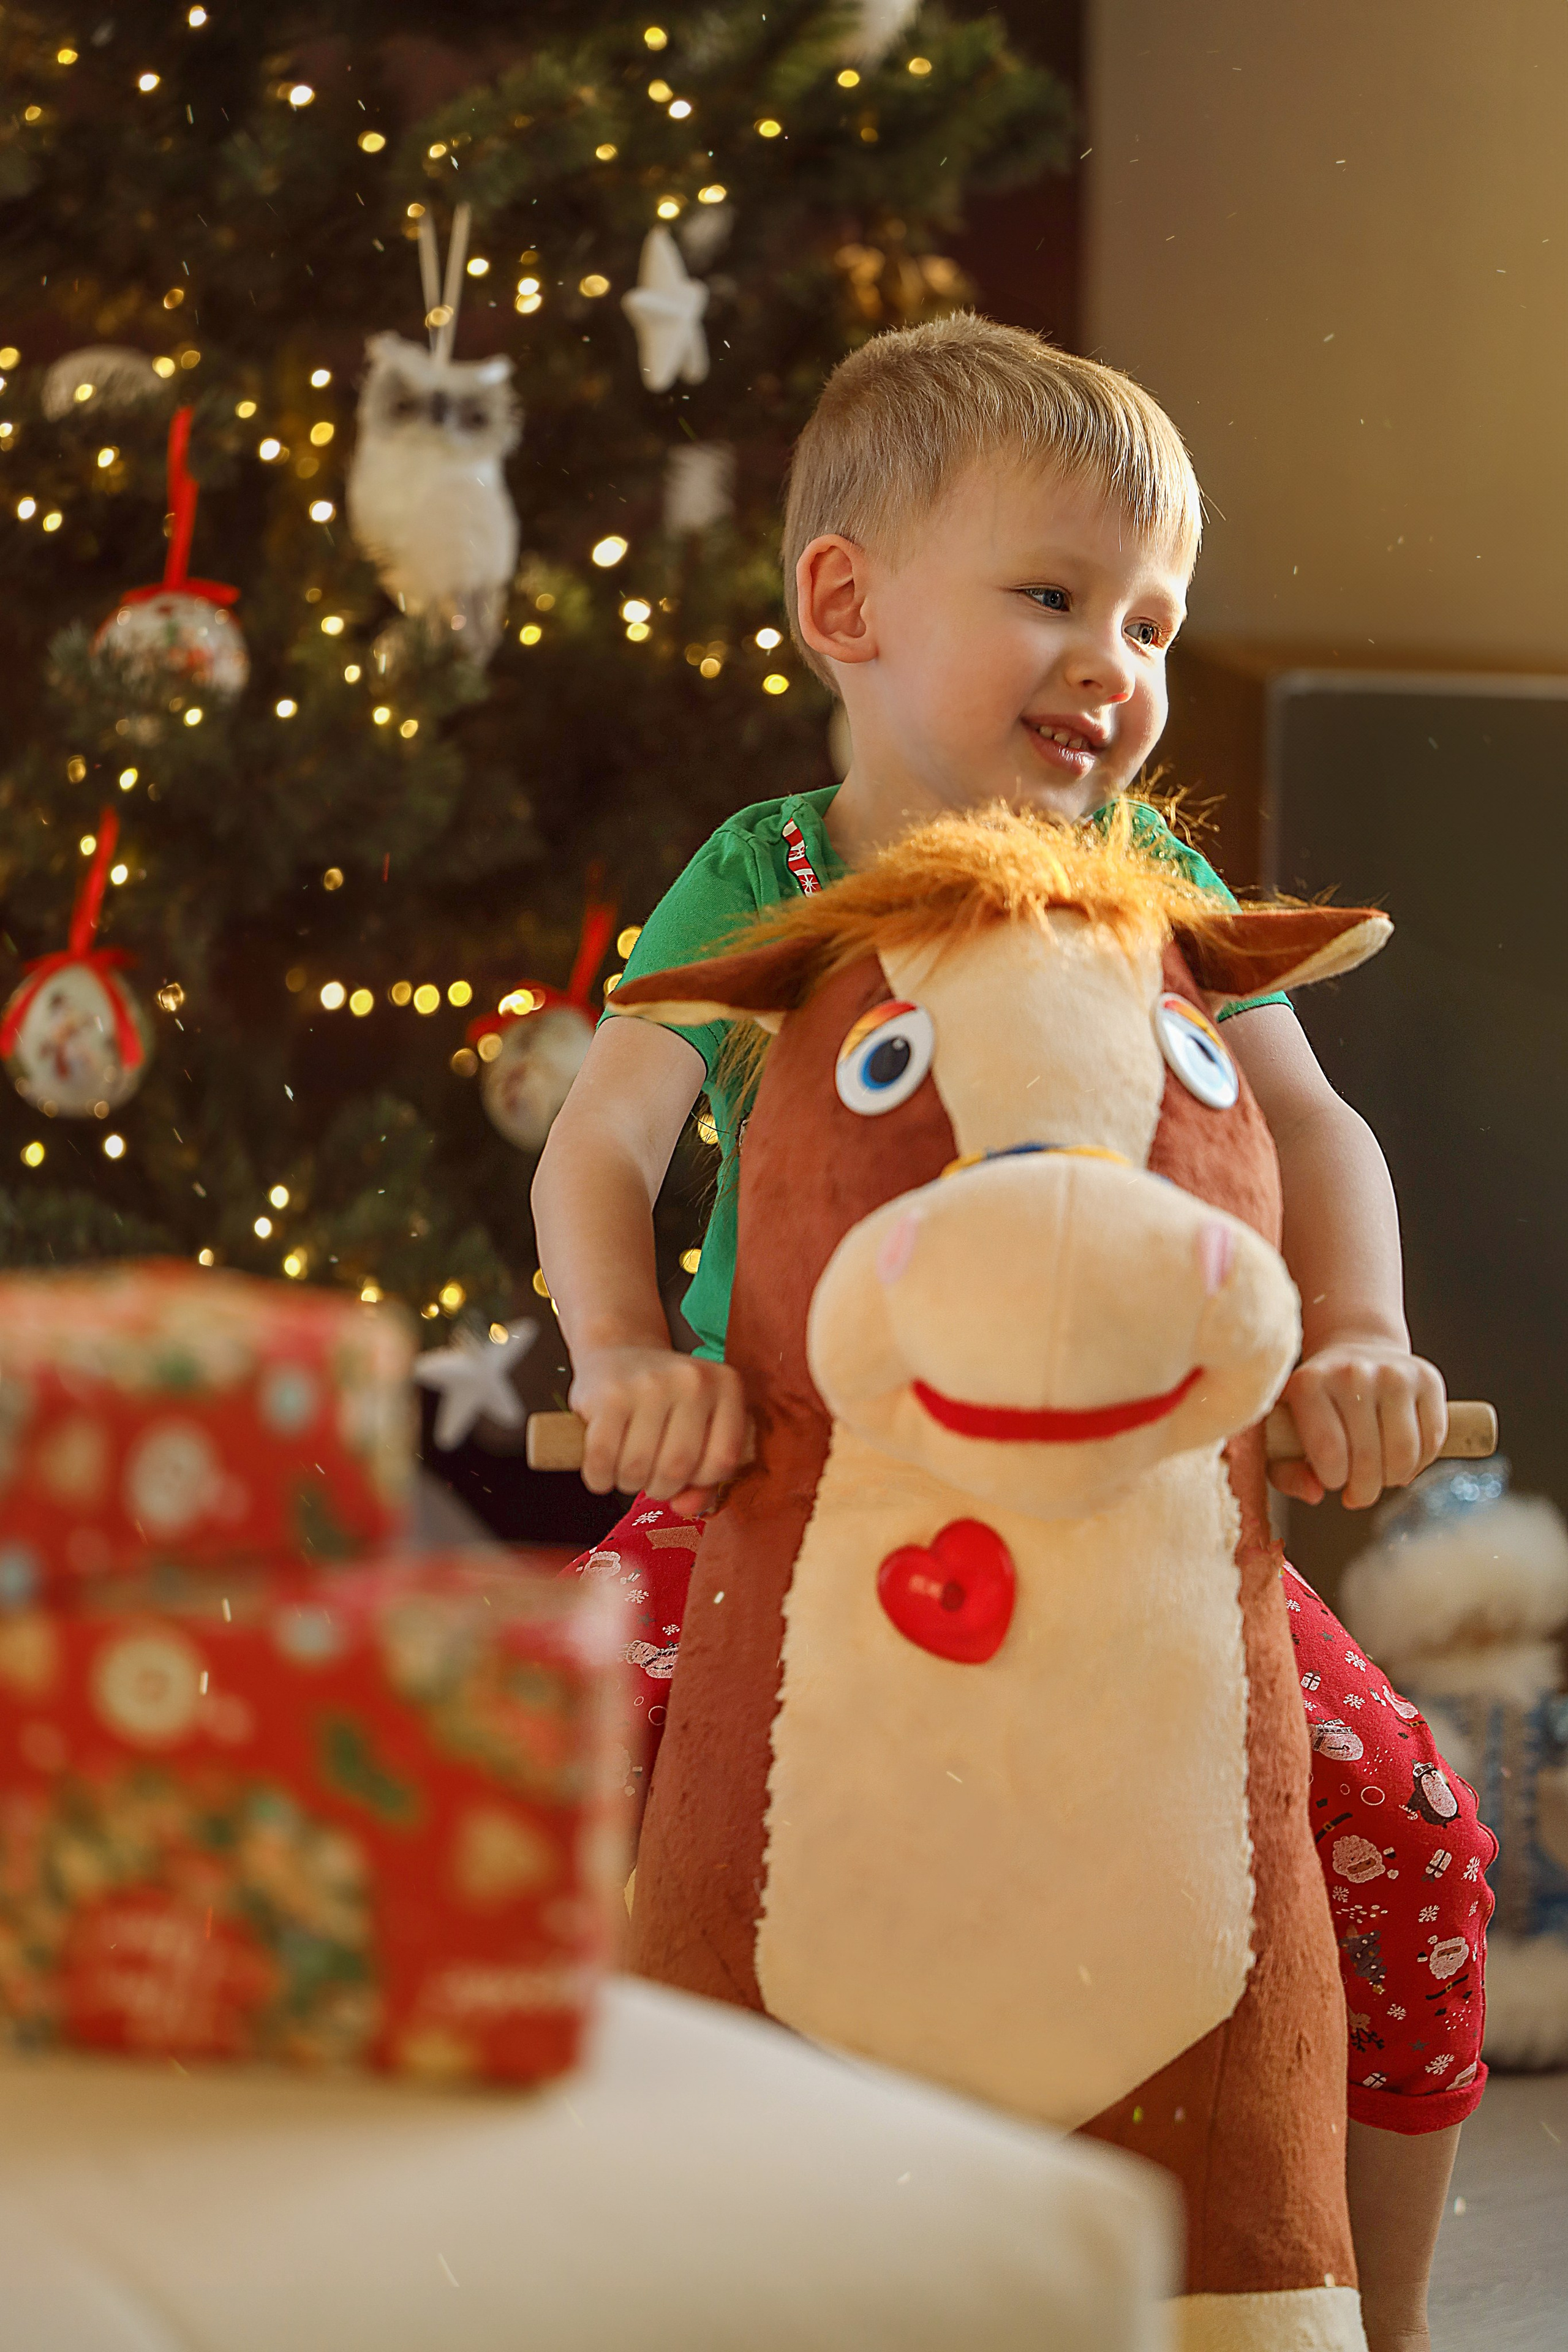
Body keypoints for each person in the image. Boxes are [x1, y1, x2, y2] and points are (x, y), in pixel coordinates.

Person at [532, 315, 1491, 2352]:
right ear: (845, 600)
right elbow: (598, 1148)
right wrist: (630, 1356)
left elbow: (1314, 1128)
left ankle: (1375, 2305)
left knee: (1402, 1822)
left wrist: (1358, 1336)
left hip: (1140, 1512)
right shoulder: (768, 878)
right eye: (1054, 595)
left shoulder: (1152, 880)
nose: (1116, 666)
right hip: (782, 1478)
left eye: (1149, 619)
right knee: (558, 1765)